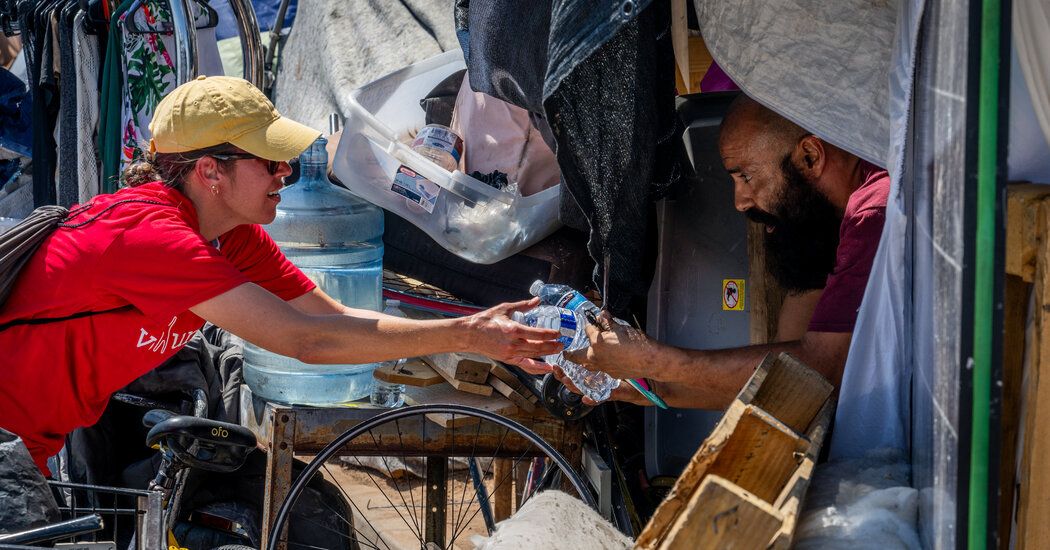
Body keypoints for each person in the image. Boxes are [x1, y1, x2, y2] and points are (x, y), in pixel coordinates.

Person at [0, 76, 563, 473]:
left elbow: (333, 318)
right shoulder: (153, 239)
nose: (286, 172)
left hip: (32, 444)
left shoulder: (230, 235)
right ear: (208, 171)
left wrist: (476, 327)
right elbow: (305, 341)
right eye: (269, 160)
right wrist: (468, 336)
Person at [556, 95, 890, 408]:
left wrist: (651, 359)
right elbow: (785, 385)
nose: (740, 202)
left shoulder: (874, 214)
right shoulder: (831, 230)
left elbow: (819, 371)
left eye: (746, 176)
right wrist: (633, 385)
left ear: (810, 157)